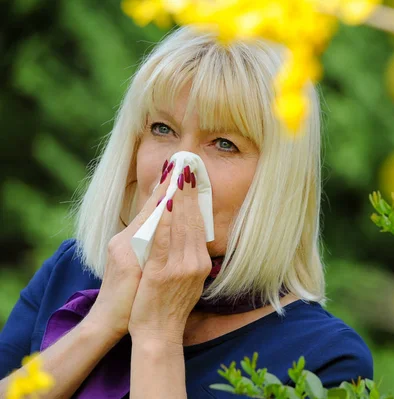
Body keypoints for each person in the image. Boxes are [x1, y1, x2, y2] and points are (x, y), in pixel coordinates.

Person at [0, 26, 373, 398]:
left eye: (224, 144)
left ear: (280, 180)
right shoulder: (70, 270)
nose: (180, 167)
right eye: (163, 129)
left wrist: (157, 336)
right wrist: (101, 323)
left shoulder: (326, 360)